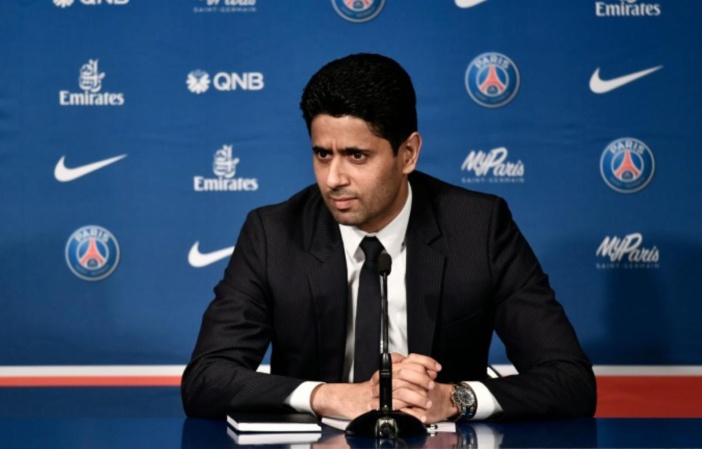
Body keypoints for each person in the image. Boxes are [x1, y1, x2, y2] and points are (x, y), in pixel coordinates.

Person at [181, 53, 596, 423]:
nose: (333, 178)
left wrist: (454, 398)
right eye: (322, 154)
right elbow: (205, 379)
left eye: (356, 156)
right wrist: (330, 396)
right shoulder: (273, 234)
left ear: (408, 154)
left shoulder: (479, 228)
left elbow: (570, 380)